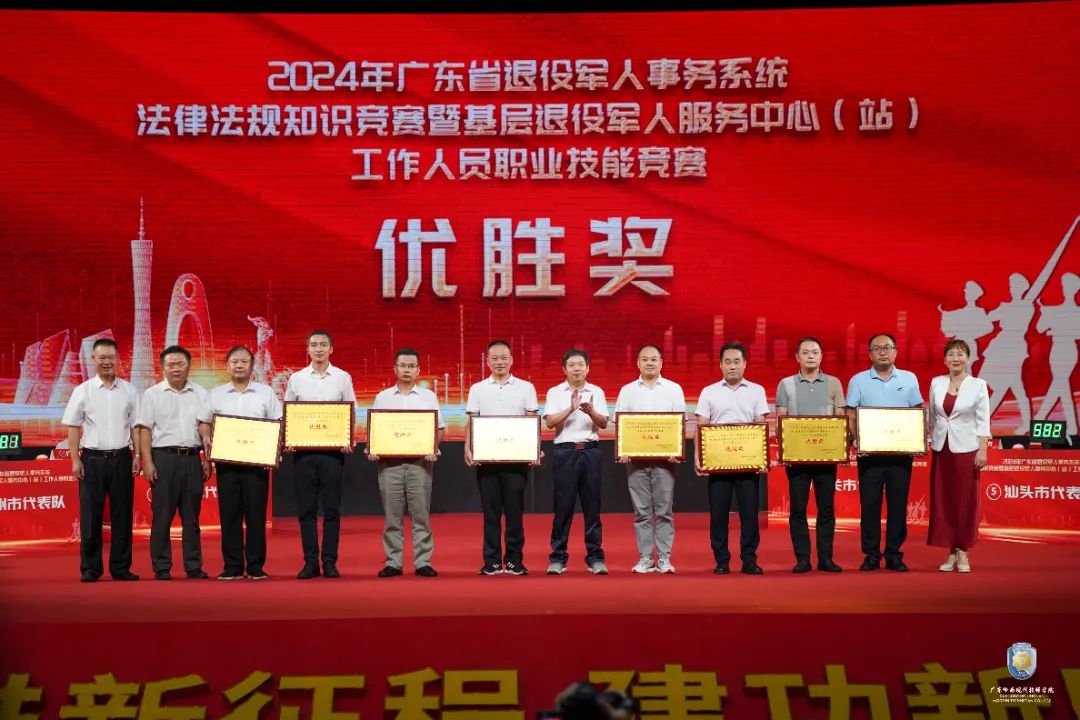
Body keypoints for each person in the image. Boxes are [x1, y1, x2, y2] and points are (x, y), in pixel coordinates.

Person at [197, 345, 282, 581]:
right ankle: (232, 566)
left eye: (244, 361)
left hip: (257, 464)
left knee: (256, 516)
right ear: (227, 365)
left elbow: (278, 422)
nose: (239, 365)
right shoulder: (216, 394)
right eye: (235, 361)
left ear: (252, 366)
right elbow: (204, 421)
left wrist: (273, 453)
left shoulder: (265, 393)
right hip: (227, 464)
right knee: (230, 515)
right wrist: (206, 437)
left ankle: (255, 566)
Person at [61, 338, 141, 583]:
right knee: (90, 515)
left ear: (117, 360)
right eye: (102, 357)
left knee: (122, 515)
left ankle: (121, 567)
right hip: (92, 459)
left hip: (122, 458)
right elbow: (73, 427)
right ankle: (90, 568)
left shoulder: (130, 390)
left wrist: (137, 455)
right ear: (93, 359)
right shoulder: (82, 390)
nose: (107, 362)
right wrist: (75, 460)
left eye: (111, 357)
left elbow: (136, 427)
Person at [846, 333, 924, 572]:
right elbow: (850, 414)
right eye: (877, 348)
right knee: (869, 506)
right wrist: (858, 441)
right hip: (870, 455)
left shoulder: (909, 378)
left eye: (887, 347)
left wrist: (919, 441)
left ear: (895, 352)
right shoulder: (858, 380)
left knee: (898, 505)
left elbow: (917, 412)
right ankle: (871, 554)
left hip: (900, 455)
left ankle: (894, 554)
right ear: (870, 354)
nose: (882, 352)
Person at [284, 330, 356, 580]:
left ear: (331, 349)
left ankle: (330, 561)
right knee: (306, 510)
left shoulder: (342, 377)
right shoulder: (296, 379)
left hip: (332, 455)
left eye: (323, 345)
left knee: (332, 510)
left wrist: (347, 439)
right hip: (303, 454)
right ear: (308, 349)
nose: (318, 349)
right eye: (314, 345)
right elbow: (288, 412)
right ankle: (310, 562)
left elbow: (350, 410)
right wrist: (288, 439)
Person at [465, 340, 540, 576]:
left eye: (504, 358)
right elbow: (472, 421)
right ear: (487, 362)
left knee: (515, 513)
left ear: (511, 360)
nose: (500, 362)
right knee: (491, 513)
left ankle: (515, 560)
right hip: (486, 460)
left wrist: (535, 449)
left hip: (517, 460)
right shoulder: (477, 389)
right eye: (495, 358)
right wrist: (468, 448)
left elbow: (531, 420)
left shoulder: (526, 387)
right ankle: (492, 561)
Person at [135, 345, 210, 581]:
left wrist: (207, 459)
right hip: (163, 459)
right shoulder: (152, 394)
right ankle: (162, 567)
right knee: (162, 517)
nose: (175, 368)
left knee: (192, 518)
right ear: (163, 368)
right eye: (171, 365)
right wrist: (147, 462)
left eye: (180, 364)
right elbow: (145, 430)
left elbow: (205, 426)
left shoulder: (201, 393)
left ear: (189, 365)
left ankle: (193, 566)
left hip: (192, 459)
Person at [694, 343, 770, 575]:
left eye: (737, 361)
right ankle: (722, 560)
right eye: (727, 362)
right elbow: (701, 427)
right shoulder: (709, 392)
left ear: (745, 364)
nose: (732, 366)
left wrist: (763, 458)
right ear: (720, 365)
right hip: (718, 462)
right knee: (718, 515)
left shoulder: (756, 391)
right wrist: (698, 457)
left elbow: (761, 425)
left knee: (750, 514)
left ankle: (749, 560)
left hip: (748, 462)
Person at [368, 348, 444, 578]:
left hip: (420, 464)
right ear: (395, 369)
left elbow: (439, 428)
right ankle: (393, 562)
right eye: (403, 365)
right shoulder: (383, 397)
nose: (407, 370)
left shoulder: (428, 397)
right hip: (389, 465)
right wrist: (373, 448)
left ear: (418, 370)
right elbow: (375, 429)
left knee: (421, 515)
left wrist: (432, 448)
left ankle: (423, 562)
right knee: (392, 517)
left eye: (412, 366)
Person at [774, 337, 846, 574]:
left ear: (821, 356)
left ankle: (826, 558)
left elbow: (840, 419)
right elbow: (781, 421)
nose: (811, 356)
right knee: (797, 510)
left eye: (815, 352)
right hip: (797, 458)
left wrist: (839, 447)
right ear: (797, 357)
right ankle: (802, 559)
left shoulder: (834, 383)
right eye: (805, 353)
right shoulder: (786, 384)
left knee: (827, 509)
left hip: (826, 457)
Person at [613, 344, 686, 574]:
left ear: (661, 363)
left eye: (654, 359)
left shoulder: (674, 389)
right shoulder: (627, 391)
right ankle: (645, 558)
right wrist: (623, 449)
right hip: (636, 461)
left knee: (664, 510)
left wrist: (677, 449)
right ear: (638, 363)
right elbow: (621, 423)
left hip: (665, 460)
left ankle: (664, 558)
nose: (649, 363)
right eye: (645, 359)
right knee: (641, 512)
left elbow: (679, 423)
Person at [543, 349, 610, 575]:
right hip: (565, 453)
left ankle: (595, 557)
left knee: (593, 507)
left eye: (581, 364)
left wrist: (591, 412)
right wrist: (570, 408)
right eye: (572, 365)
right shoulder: (555, 392)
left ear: (588, 368)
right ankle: (558, 558)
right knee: (563, 508)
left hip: (590, 453)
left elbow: (603, 423)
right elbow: (550, 422)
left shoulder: (596, 391)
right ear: (564, 369)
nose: (577, 368)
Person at [928, 340, 990, 573]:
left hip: (967, 449)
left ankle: (963, 551)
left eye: (960, 354)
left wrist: (983, 449)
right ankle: (951, 551)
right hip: (941, 448)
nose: (956, 358)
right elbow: (933, 417)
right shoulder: (936, 383)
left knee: (965, 500)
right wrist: (928, 439)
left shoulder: (978, 385)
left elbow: (983, 420)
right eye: (951, 354)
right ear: (945, 360)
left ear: (968, 359)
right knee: (944, 499)